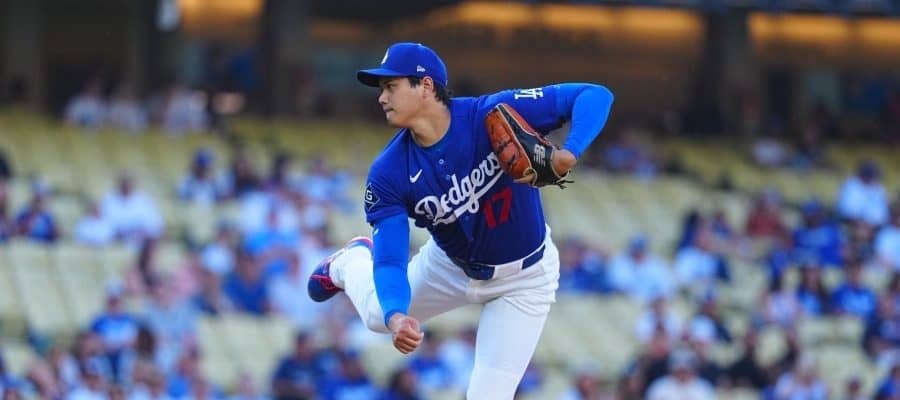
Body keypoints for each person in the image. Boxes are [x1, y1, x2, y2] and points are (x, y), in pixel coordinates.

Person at [306, 42, 613, 399]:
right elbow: (390, 260)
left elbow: (595, 95)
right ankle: (348, 263)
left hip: (525, 278)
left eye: (391, 86)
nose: (381, 97)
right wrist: (397, 317)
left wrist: (570, 151)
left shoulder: (491, 114)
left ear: (425, 86)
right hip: (448, 267)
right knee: (379, 317)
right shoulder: (388, 172)